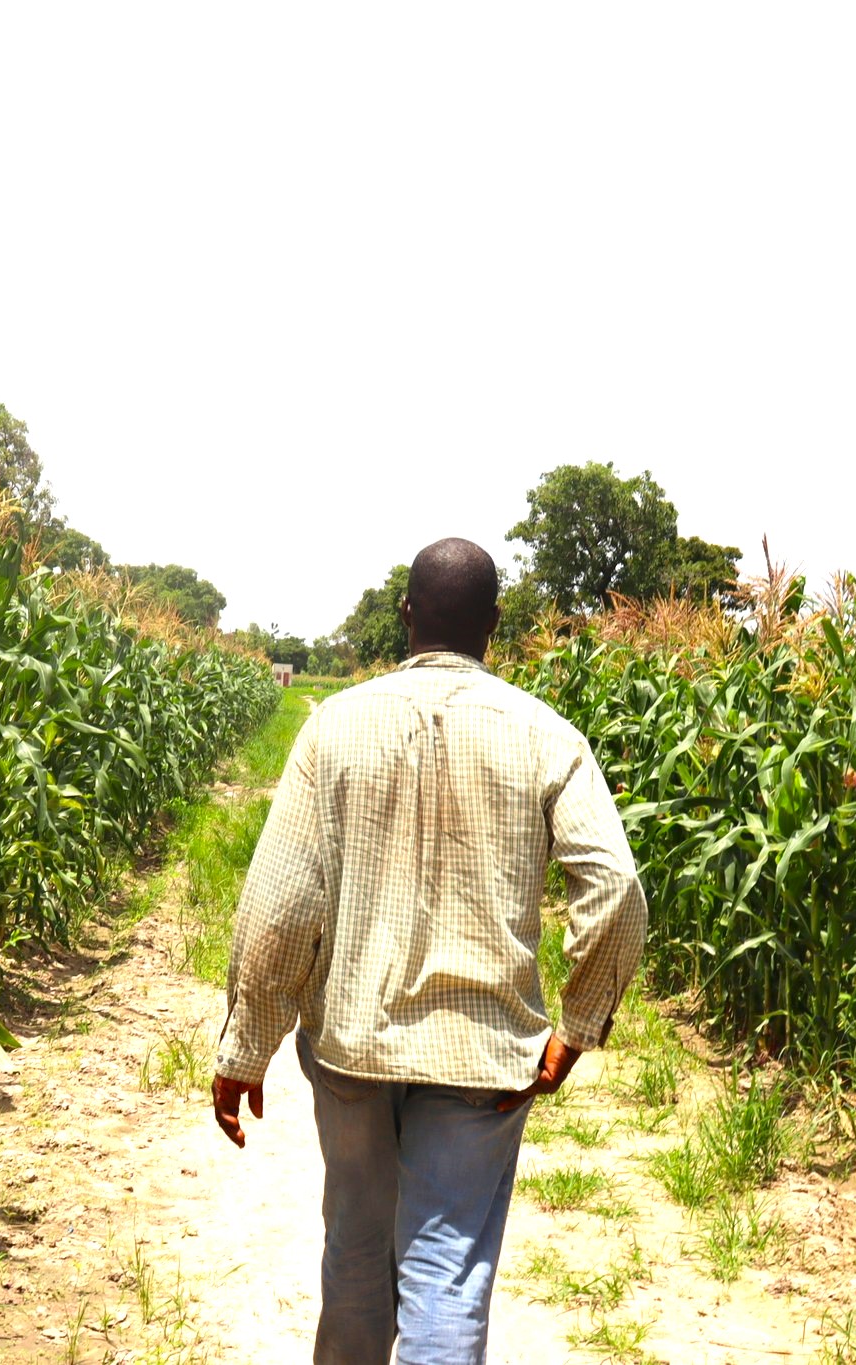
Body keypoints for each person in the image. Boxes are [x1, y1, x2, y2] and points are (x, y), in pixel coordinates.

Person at [211, 537, 648, 1365]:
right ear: (494, 624)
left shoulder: (333, 726)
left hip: (350, 1046)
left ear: (407, 614)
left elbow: (281, 902)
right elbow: (619, 890)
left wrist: (246, 1046)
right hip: (482, 1057)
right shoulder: (548, 735)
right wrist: (579, 1024)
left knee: (353, 1258)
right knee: (445, 1275)